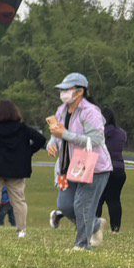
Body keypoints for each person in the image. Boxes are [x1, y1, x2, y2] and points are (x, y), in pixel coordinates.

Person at [46, 73, 111, 251]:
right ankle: (95, 225)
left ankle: (82, 245)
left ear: (80, 91)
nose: (63, 93)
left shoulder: (91, 112)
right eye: (62, 90)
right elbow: (56, 133)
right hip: (68, 167)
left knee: (82, 205)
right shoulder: (62, 110)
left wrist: (65, 135)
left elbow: (96, 140)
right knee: (65, 205)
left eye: (67, 89)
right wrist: (52, 143)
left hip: (94, 167)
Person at [0, 99, 46, 238]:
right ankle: (22, 230)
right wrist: (28, 151)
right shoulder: (23, 129)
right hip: (16, 170)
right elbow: (41, 139)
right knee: (19, 200)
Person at [98, 106, 127, 233]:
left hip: (104, 168)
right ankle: (115, 228)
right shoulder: (121, 133)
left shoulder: (100, 132)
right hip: (119, 169)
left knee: (98, 199)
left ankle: (95, 226)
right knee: (114, 199)